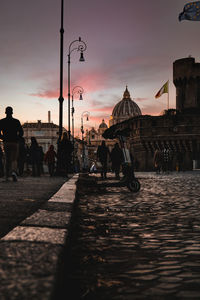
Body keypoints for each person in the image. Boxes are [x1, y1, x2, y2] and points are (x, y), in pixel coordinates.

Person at [0, 106, 23, 181]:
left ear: (5, 112)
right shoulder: (16, 121)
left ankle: (7, 175)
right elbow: (21, 132)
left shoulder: (2, 121)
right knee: (14, 159)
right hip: (14, 142)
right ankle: (13, 172)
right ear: (12, 112)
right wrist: (17, 138)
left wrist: (3, 138)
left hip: (6, 142)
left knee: (7, 158)